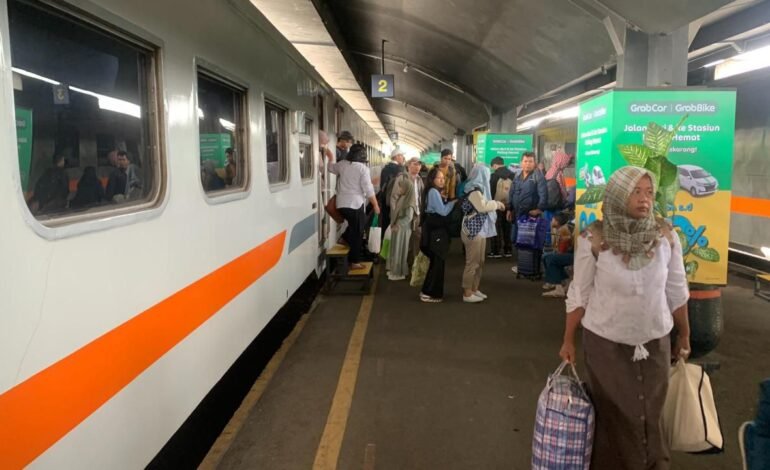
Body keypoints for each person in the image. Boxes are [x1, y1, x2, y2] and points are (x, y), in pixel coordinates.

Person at [559, 166, 691, 469]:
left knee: (651, 415)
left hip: (655, 340)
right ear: (618, 195)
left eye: (649, 193)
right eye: (636, 192)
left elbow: (677, 290)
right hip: (606, 344)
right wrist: (568, 340)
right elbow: (580, 293)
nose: (644, 199)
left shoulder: (665, 237)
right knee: (616, 417)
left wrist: (684, 334)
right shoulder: (594, 238)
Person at [327, 143, 380, 270]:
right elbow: (368, 189)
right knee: (358, 232)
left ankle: (344, 238)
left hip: (341, 204)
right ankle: (354, 262)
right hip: (355, 205)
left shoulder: (342, 164)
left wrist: (330, 157)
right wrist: (375, 205)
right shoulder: (363, 169)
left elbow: (330, 168)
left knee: (355, 225)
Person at [460, 164, 505, 303]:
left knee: (480, 262)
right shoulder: (474, 190)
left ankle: (474, 289)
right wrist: (497, 204)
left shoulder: (480, 190)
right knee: (472, 263)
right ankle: (467, 293)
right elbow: (481, 207)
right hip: (473, 230)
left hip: (480, 230)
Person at [507, 151, 547, 273]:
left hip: (530, 216)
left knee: (530, 241)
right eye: (525, 161)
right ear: (521, 163)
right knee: (515, 239)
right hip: (517, 214)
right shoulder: (517, 176)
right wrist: (509, 209)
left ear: (534, 163)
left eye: (530, 161)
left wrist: (539, 209)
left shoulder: (538, 176)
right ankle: (522, 264)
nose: (528, 164)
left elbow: (543, 194)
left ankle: (532, 267)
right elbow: (511, 193)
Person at [420, 167, 456, 303]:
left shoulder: (431, 191)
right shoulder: (433, 192)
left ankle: (428, 291)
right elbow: (443, 212)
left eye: (443, 178)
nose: (442, 180)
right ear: (432, 179)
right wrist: (452, 203)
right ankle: (429, 292)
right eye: (439, 178)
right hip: (436, 233)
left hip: (431, 231)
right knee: (437, 263)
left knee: (435, 263)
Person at [386, 173, 416, 281]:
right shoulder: (404, 198)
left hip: (403, 229)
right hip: (399, 228)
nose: (399, 189)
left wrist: (398, 224)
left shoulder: (409, 202)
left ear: (407, 188)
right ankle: (394, 270)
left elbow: (409, 217)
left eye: (401, 187)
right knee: (396, 250)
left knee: (400, 251)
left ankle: (399, 273)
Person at [541, 212, 573, 298]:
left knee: (551, 258)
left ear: (557, 222)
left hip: (569, 254)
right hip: (567, 253)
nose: (551, 221)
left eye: (552, 220)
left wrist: (557, 253)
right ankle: (554, 280)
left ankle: (557, 285)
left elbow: (563, 248)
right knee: (546, 257)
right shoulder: (560, 229)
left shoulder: (563, 230)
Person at [489, 156, 514, 258]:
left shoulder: (493, 176)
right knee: (507, 228)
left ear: (495, 165)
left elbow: (490, 192)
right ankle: (508, 250)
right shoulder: (513, 175)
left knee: (496, 228)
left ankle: (496, 251)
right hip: (508, 206)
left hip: (496, 206)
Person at [378, 148, 406, 233]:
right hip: (395, 201)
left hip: (385, 200)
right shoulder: (399, 169)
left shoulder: (385, 168)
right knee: (394, 223)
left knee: (385, 222)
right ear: (397, 157)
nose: (403, 158)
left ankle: (384, 239)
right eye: (401, 156)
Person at [404, 157, 425, 268]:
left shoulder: (419, 179)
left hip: (417, 213)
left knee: (417, 238)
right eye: (415, 164)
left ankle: (415, 265)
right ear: (408, 165)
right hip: (406, 214)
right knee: (406, 239)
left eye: (419, 165)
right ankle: (405, 263)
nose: (417, 167)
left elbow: (422, 196)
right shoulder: (403, 179)